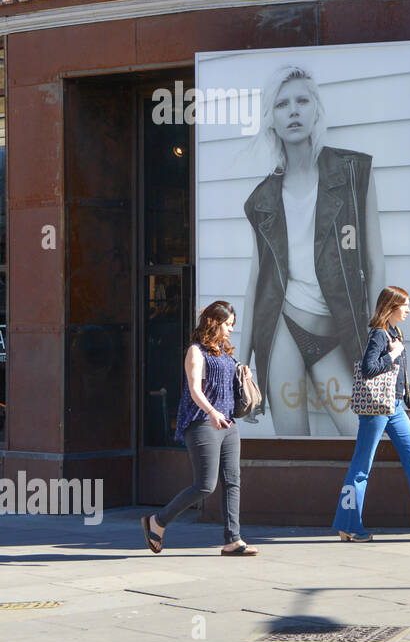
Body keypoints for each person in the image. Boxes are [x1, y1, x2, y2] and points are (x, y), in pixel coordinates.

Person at [241, 64, 385, 436]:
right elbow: (256, 281)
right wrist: (241, 364)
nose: (293, 110)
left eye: (302, 100)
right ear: (271, 119)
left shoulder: (353, 173)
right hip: (281, 329)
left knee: (359, 432)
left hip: (335, 331)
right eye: (282, 104)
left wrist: (377, 337)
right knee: (293, 444)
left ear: (316, 109)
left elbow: (374, 262)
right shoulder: (263, 198)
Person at [333, 286, 410, 541]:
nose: (409, 309)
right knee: (361, 466)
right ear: (391, 306)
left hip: (396, 407)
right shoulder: (379, 334)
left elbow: (401, 372)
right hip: (376, 409)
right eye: (405, 305)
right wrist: (392, 353)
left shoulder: (395, 332)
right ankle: (348, 523)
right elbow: (369, 368)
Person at [142, 300, 258, 556]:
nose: (230, 329)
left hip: (228, 423)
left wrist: (243, 374)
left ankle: (233, 539)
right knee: (205, 485)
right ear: (213, 322)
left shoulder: (225, 351)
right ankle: (157, 521)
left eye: (232, 325)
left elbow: (228, 383)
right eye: (227, 324)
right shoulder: (195, 351)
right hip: (202, 422)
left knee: (232, 481)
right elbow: (195, 389)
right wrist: (211, 412)